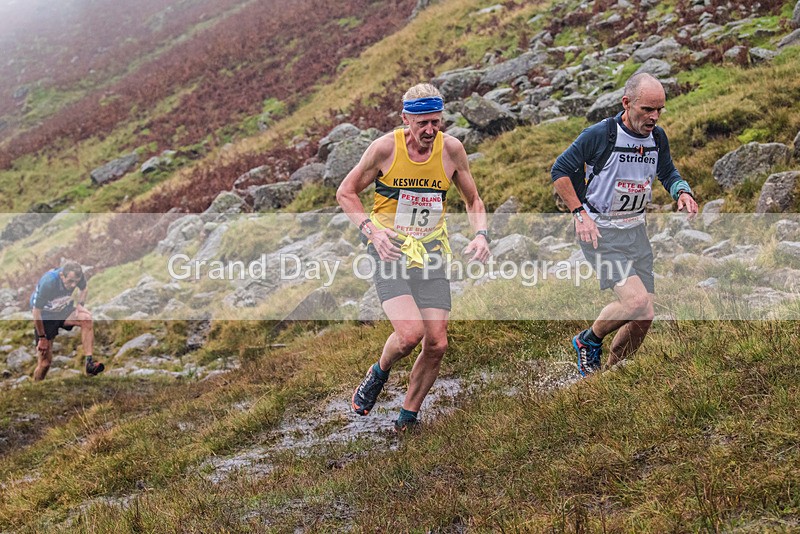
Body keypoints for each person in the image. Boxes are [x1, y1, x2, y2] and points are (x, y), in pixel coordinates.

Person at [337, 83, 491, 431]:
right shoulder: (384, 149)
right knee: (409, 335)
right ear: (406, 119)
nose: (430, 130)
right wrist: (372, 232)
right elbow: (346, 192)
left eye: (436, 122)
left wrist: (481, 234)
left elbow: (473, 201)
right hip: (389, 249)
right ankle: (378, 372)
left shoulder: (451, 150)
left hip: (431, 251)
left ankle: (407, 417)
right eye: (422, 123)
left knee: (437, 343)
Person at [551, 73, 699, 377]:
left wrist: (681, 191)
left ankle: (612, 375)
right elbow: (560, 170)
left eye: (659, 110)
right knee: (636, 301)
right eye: (647, 109)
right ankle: (588, 340)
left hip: (636, 232)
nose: (654, 117)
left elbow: (667, 171)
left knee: (644, 316)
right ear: (626, 103)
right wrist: (579, 213)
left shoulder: (657, 137)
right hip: (600, 233)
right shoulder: (600, 134)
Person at [30, 261, 104, 380]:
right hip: (46, 316)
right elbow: (36, 312)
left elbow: (84, 288)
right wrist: (42, 338)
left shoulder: (77, 275)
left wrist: (80, 305)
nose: (73, 285)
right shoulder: (49, 283)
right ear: (62, 276)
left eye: (76, 281)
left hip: (63, 310)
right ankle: (36, 387)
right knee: (45, 363)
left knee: (86, 319)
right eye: (70, 281)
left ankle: (89, 364)